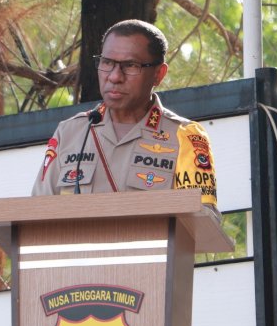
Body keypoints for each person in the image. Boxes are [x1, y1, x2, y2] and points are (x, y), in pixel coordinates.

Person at [31, 19, 217, 209]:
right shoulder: (70, 133)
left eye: (130, 66)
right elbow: (38, 212)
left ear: (158, 74)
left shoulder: (185, 136)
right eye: (107, 62)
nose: (114, 76)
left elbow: (200, 222)